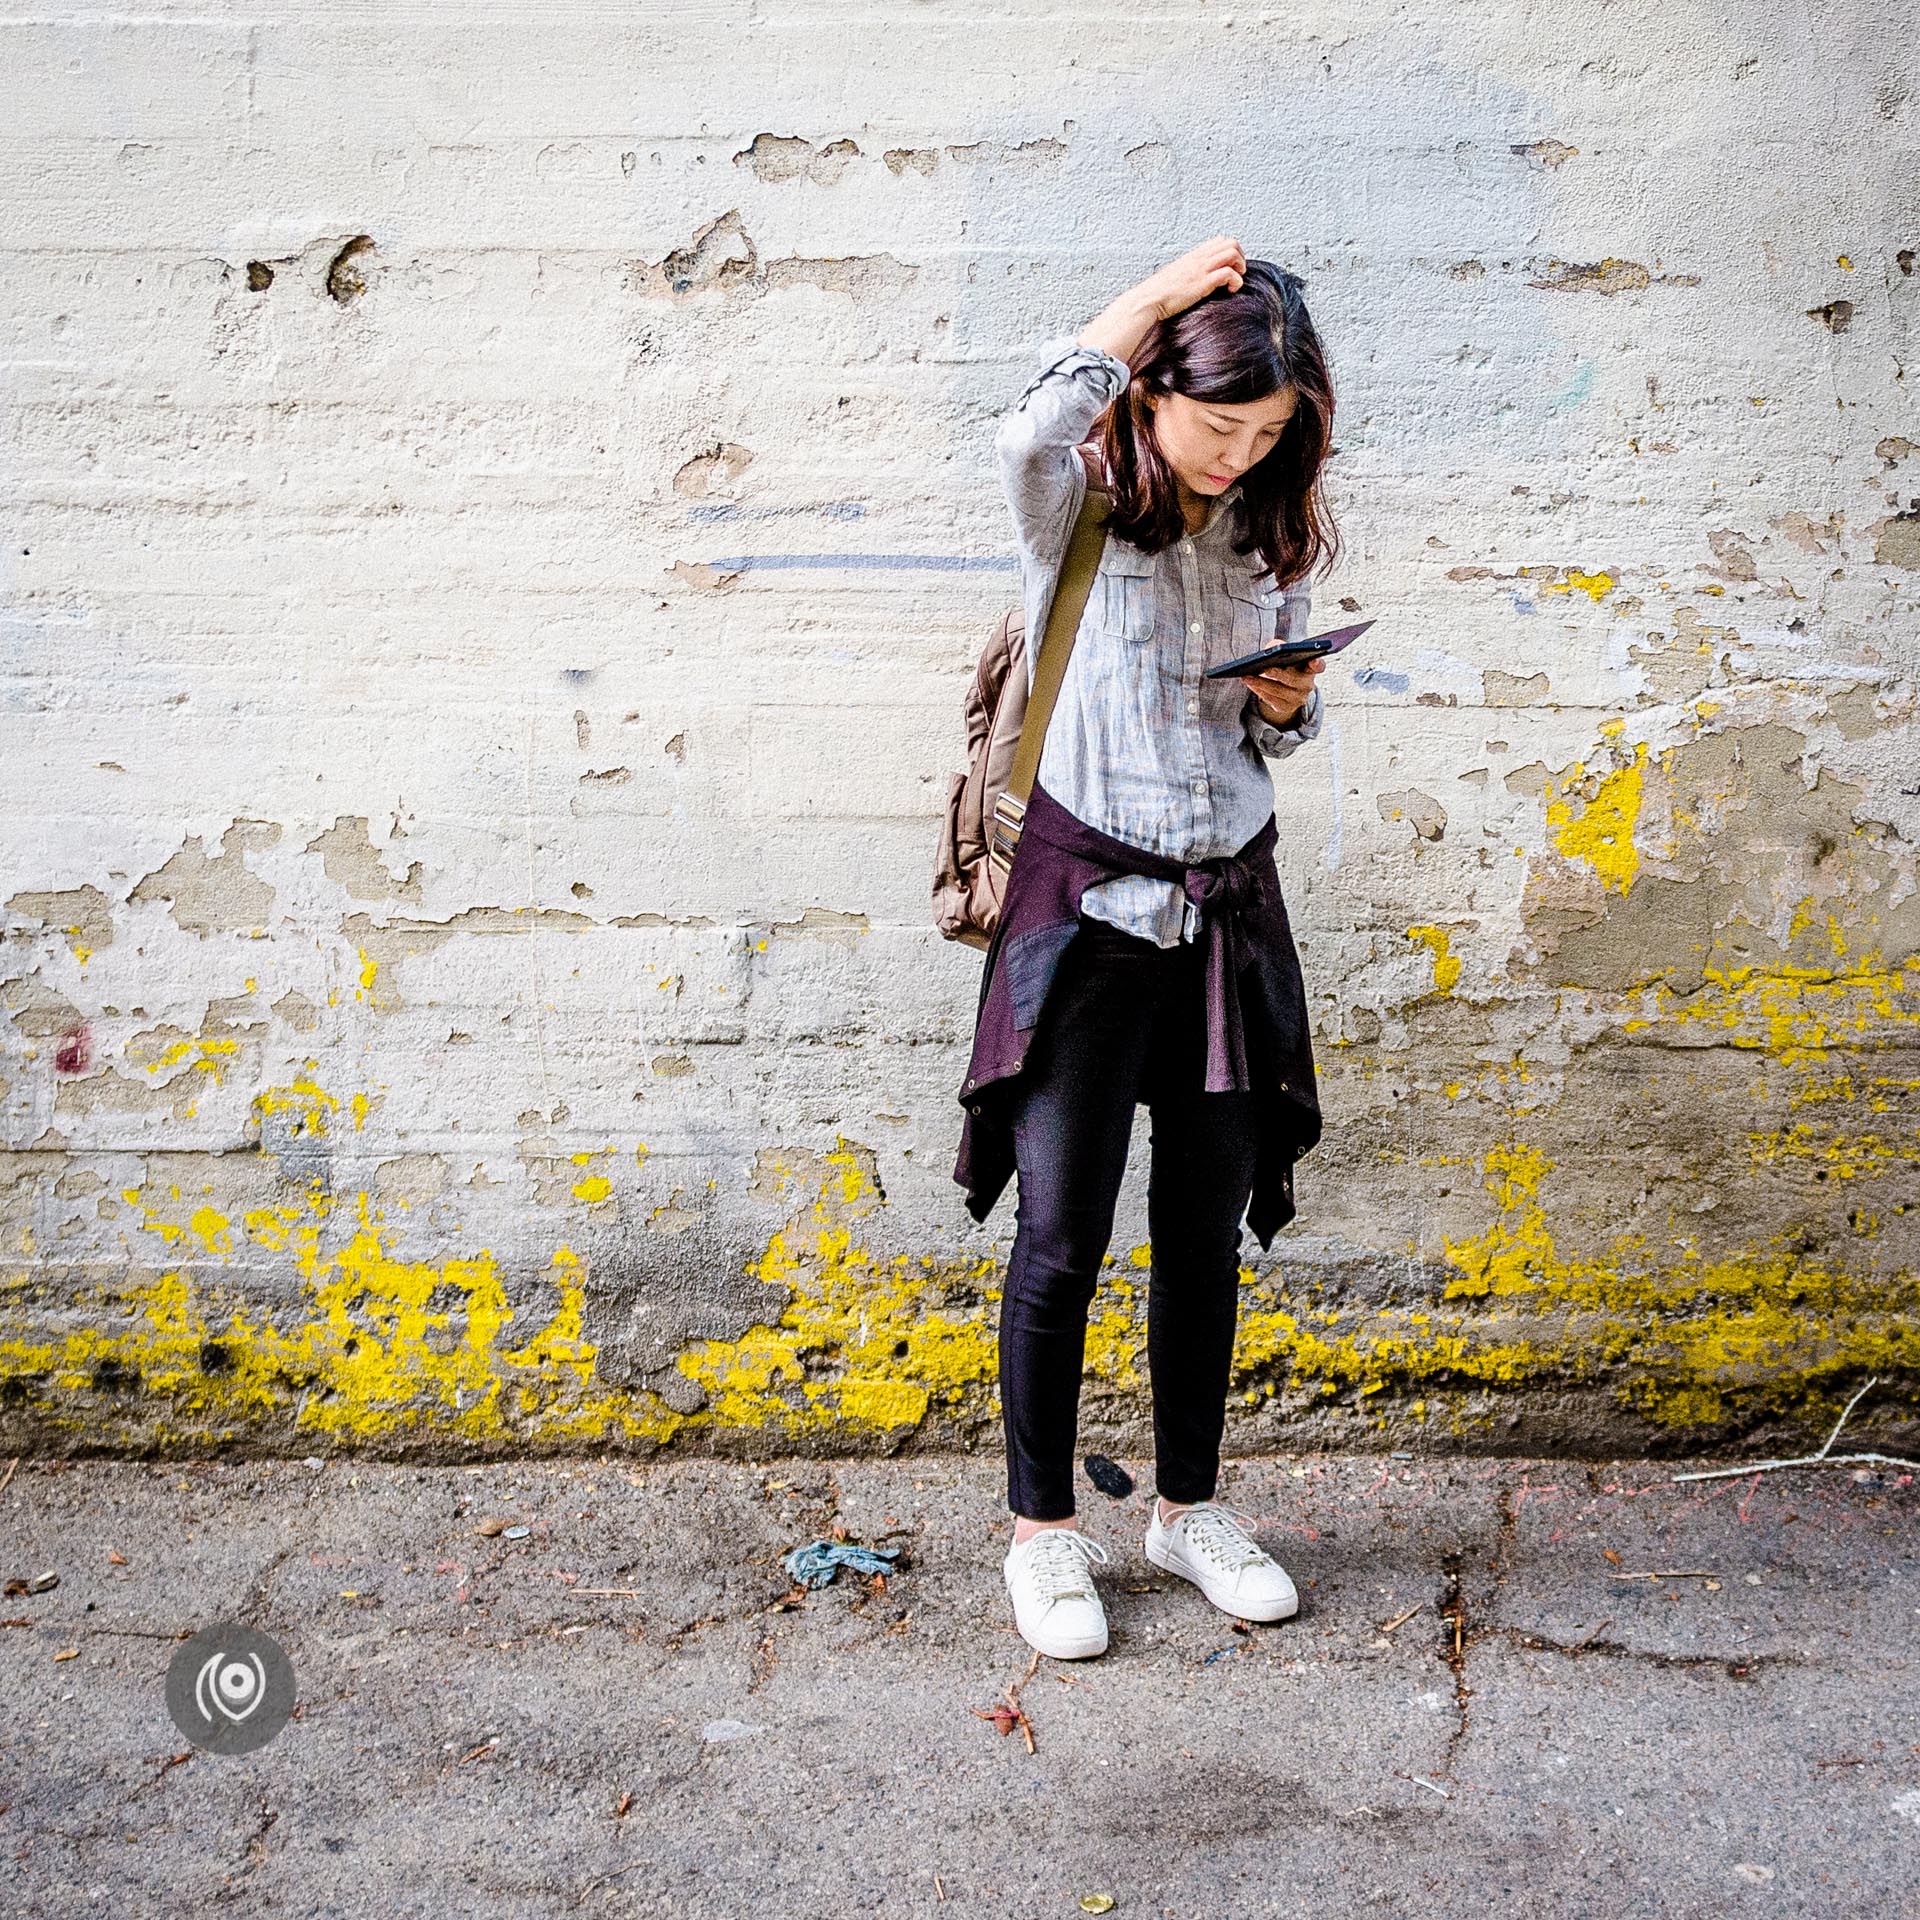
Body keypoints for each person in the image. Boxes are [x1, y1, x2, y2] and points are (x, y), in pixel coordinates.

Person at [963, 237, 1341, 1659]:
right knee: (1061, 1238)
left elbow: (1276, 737)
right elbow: (1029, 421)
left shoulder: (1266, 528)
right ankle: (1044, 1537)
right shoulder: (1070, 504)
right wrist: (1160, 296)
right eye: (1216, 425)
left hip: (1226, 913)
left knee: (1202, 1240)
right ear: (1153, 390)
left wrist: (1293, 701)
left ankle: (1186, 1512)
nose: (1237, 458)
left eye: (1267, 435)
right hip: (1085, 917)